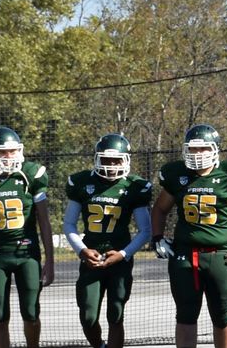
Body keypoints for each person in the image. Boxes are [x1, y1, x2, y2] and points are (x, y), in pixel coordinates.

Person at [151, 124, 227, 348]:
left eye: (203, 149)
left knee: (222, 314)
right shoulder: (177, 175)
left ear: (215, 149)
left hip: (222, 256)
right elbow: (159, 209)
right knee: (185, 314)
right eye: (193, 149)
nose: (198, 155)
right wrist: (157, 237)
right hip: (185, 254)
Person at [0, 126, 55, 348]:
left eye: (13, 151)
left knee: (31, 313)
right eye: (3, 152)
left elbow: (44, 222)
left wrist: (50, 261)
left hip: (27, 254)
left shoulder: (32, 174)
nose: (9, 157)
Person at [64, 133, 153, 348]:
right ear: (97, 158)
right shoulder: (82, 182)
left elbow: (145, 230)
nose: (111, 165)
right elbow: (68, 224)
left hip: (119, 258)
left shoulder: (135, 186)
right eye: (106, 159)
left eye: (117, 160)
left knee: (116, 313)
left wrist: (123, 254)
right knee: (88, 316)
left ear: (126, 160)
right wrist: (82, 250)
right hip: (90, 257)